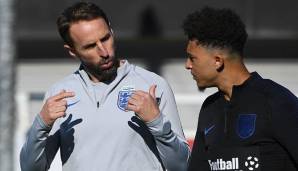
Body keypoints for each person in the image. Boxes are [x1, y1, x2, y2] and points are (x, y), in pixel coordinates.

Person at [20, 2, 190, 171]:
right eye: (90, 46)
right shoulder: (59, 94)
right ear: (72, 51)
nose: (104, 52)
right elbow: (31, 169)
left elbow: (182, 166)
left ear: (112, 32)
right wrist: (41, 123)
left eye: (105, 38)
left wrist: (156, 122)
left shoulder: (153, 85)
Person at [182, 7, 298, 171]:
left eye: (192, 58)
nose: (187, 65)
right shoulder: (209, 109)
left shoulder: (277, 102)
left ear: (217, 61)